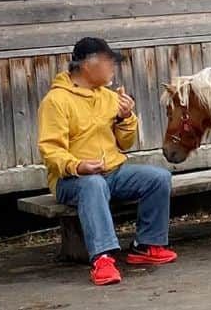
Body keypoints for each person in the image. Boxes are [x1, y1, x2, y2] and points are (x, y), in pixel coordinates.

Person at [38, 37, 177, 286]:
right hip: (71, 180)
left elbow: (126, 144)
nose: (114, 68)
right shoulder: (56, 101)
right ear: (88, 65)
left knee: (158, 178)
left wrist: (126, 117)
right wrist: (77, 166)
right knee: (93, 185)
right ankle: (102, 258)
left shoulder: (110, 97)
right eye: (109, 62)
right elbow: (50, 150)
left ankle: (145, 246)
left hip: (112, 172)